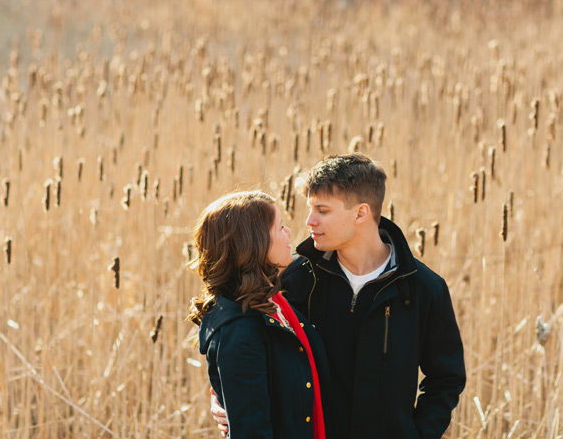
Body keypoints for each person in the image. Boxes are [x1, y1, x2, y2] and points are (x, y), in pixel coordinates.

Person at [214, 154, 466, 439]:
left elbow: (445, 378)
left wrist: (417, 434)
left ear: (360, 214)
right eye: (310, 208)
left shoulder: (423, 289)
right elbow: (238, 341)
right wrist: (223, 399)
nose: (309, 221)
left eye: (322, 210)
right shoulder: (293, 280)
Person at [188, 190, 333, 439]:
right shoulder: (241, 330)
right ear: (253, 243)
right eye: (280, 228)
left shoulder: (273, 300)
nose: (289, 233)